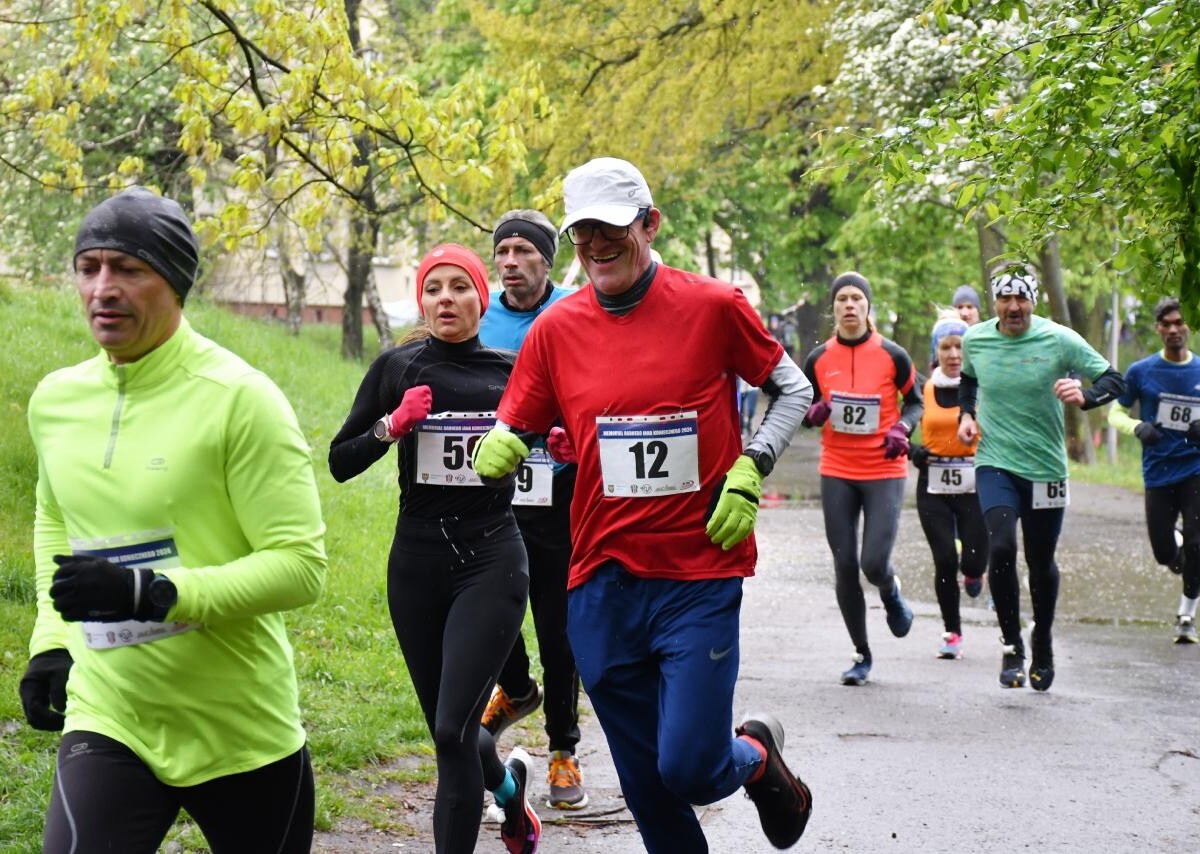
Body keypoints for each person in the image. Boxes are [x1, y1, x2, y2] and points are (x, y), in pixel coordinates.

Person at [471, 156, 814, 853]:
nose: (596, 245)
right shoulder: (555, 330)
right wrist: (503, 441)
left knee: (689, 768)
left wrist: (752, 465)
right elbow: (522, 420)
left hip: (698, 571)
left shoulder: (714, 306)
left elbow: (793, 388)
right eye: (583, 232)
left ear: (650, 224)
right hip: (601, 578)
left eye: (612, 228)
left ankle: (754, 756)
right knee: (649, 789)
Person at [18, 187, 328, 853]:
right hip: (111, 713)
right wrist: (51, 639)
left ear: (176, 282)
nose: (103, 288)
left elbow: (300, 567)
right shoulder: (56, 401)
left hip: (239, 728)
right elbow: (55, 520)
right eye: (88, 268)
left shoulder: (241, 400)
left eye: (129, 269)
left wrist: (153, 592)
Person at [328, 244, 539, 854]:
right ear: (421, 300)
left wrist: (553, 444)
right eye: (433, 288)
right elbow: (340, 461)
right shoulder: (398, 368)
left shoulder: (512, 372)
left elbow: (555, 442)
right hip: (417, 566)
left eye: (460, 287)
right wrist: (390, 425)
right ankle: (509, 792)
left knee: (452, 731)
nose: (446, 299)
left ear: (482, 298)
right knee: (455, 734)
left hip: (492, 560)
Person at [958, 266, 1124, 691]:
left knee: (1041, 562)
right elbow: (969, 379)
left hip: (1046, 468)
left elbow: (1114, 380)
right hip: (995, 461)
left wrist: (1085, 395)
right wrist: (966, 414)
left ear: (1034, 300)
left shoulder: (1059, 339)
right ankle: (1012, 644)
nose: (1014, 307)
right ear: (994, 301)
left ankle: (1043, 638)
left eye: (1022, 299)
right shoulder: (976, 339)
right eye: (1005, 299)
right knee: (1001, 546)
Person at [478, 209, 588, 809]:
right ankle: (517, 688)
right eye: (503, 252)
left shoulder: (575, 310)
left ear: (547, 260)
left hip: (559, 485)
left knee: (555, 620)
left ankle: (563, 749)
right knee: (489, 602)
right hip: (493, 485)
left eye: (523, 251)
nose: (511, 262)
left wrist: (576, 432)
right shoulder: (481, 316)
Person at [801, 272, 923, 686]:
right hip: (837, 468)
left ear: (868, 306)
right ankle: (861, 653)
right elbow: (802, 406)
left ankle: (889, 590)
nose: (849, 305)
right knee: (845, 564)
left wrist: (902, 428)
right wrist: (812, 413)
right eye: (842, 299)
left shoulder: (893, 355)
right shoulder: (819, 358)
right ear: (833, 308)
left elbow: (916, 403)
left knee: (872, 562)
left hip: (883, 469)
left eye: (857, 298)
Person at [1108, 297, 1200, 643]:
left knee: (1197, 545)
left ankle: (1186, 616)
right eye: (1167, 324)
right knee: (1165, 554)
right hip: (1158, 472)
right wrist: (1137, 427)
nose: (1174, 329)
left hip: (1195, 468)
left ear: (1187, 325)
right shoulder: (1141, 371)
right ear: (1158, 328)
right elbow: (1115, 413)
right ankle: (1182, 548)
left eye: (1179, 322)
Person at [909, 312, 988, 660]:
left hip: (975, 483)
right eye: (946, 347)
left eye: (960, 347)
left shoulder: (982, 387)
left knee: (972, 562)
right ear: (936, 350)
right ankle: (952, 632)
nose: (954, 354)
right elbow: (898, 424)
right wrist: (913, 451)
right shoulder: (924, 388)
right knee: (944, 559)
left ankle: (974, 574)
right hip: (934, 484)